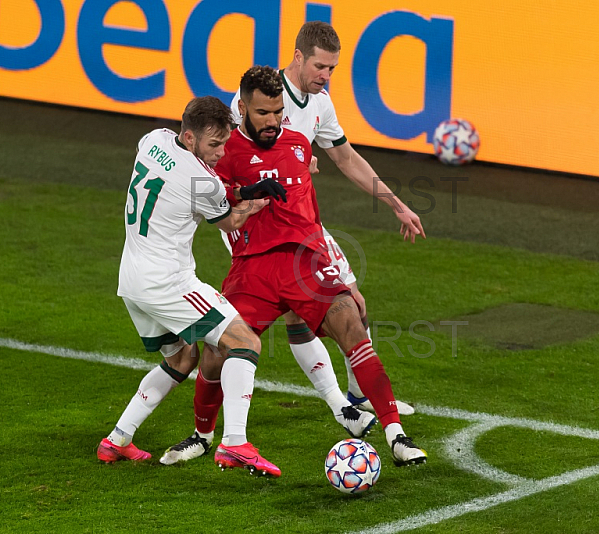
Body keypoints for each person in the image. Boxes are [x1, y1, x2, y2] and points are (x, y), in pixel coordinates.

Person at [170, 66, 427, 469]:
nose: (272, 121)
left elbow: (317, 204)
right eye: (262, 113)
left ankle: (395, 435)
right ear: (241, 109)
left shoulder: (297, 145)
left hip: (307, 262)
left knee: (352, 323)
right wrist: (245, 193)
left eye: (277, 112)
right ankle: (203, 437)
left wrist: (339, 270)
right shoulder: (222, 153)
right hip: (252, 267)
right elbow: (209, 201)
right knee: (216, 351)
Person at [229, 21, 424, 416]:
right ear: (298, 56)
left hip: (300, 222)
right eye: (320, 67)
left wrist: (396, 204)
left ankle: (356, 396)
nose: (326, 76)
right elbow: (229, 156)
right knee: (299, 313)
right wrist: (282, 163)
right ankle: (339, 403)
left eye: (333, 69)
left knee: (355, 304)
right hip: (256, 224)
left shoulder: (320, 103)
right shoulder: (260, 96)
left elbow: (346, 158)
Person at [96, 96, 287, 477]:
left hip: (131, 279)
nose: (221, 152)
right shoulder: (206, 181)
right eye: (214, 144)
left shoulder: (153, 140)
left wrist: (243, 193)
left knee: (182, 360)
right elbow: (228, 221)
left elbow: (191, 187)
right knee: (245, 342)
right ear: (188, 136)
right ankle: (235, 443)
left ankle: (116, 439)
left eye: (224, 143)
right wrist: (254, 202)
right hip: (168, 282)